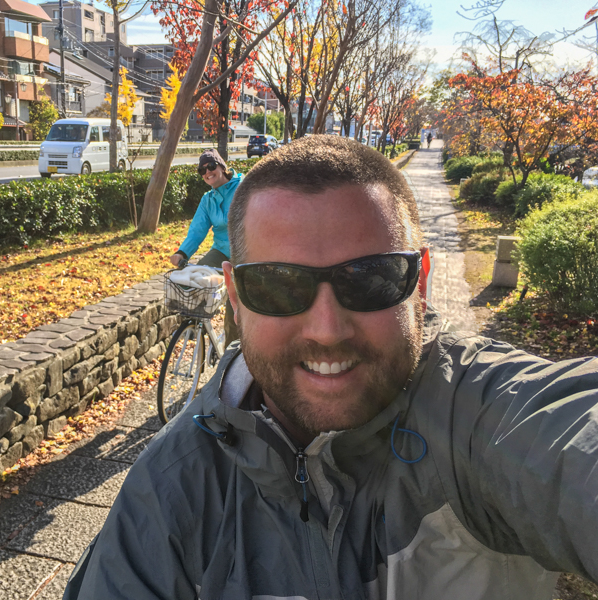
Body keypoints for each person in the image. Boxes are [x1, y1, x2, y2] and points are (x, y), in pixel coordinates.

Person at [64, 136, 598, 600]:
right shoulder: (167, 490)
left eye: (371, 278)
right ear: (234, 293)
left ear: (421, 282)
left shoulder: (484, 420)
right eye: (276, 284)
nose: (326, 328)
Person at [168, 148, 243, 344]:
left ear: (222, 166)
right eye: (202, 170)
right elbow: (197, 230)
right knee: (194, 279)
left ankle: (231, 353)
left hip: (245, 250)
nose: (207, 172)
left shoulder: (243, 188)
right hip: (221, 250)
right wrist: (182, 252)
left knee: (235, 306)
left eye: (211, 166)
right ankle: (197, 328)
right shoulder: (207, 199)